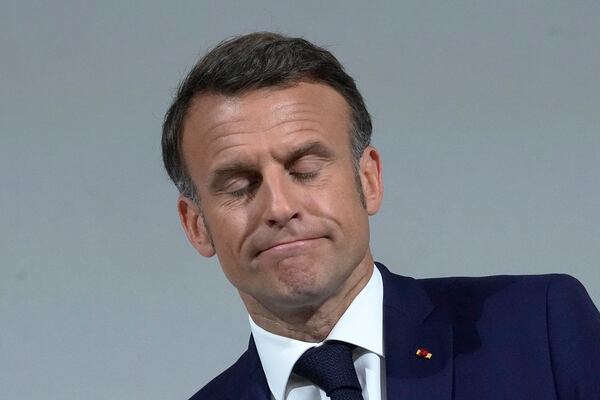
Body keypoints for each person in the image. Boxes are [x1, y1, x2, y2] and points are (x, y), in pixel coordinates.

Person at [162, 32, 600, 400]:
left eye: (305, 170)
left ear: (368, 180)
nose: (278, 206)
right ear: (196, 225)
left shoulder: (539, 329)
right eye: (240, 186)